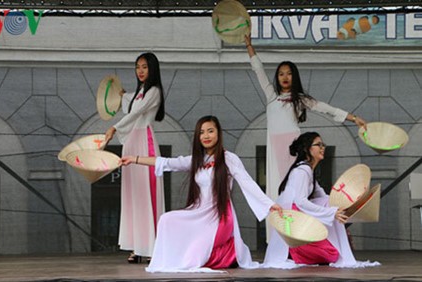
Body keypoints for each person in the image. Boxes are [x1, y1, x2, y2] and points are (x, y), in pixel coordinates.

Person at [120, 115, 282, 272]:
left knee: (195, 256)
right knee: (166, 219)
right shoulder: (197, 160)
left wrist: (269, 204)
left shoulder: (229, 158)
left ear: (218, 133)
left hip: (220, 217)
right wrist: (134, 158)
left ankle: (230, 253)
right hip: (199, 213)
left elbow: (247, 182)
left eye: (210, 131)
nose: (206, 135)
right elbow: (167, 163)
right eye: (201, 132)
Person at [245, 34, 367, 238]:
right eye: (281, 74)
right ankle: (279, 236)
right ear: (277, 78)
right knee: (277, 190)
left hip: (294, 146)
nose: (284, 77)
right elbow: (258, 70)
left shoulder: (300, 99)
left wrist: (353, 118)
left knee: (297, 190)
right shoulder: (271, 96)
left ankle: (301, 232)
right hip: (275, 147)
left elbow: (326, 108)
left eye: (289, 73)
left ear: (295, 77)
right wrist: (249, 45)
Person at [262, 132, 380, 269]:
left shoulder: (308, 171)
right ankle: (292, 250)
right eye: (318, 145)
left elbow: (324, 198)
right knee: (332, 254)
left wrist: (347, 205)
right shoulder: (302, 171)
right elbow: (300, 201)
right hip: (293, 220)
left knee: (332, 251)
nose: (322, 147)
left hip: (298, 216)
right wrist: (332, 212)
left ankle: (295, 251)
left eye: (323, 145)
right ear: (307, 149)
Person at [105, 52, 165, 263]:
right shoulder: (139, 93)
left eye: (145, 67)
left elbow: (135, 113)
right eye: (138, 67)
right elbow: (130, 100)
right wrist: (122, 94)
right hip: (130, 143)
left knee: (147, 195)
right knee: (133, 197)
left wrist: (114, 127)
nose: (140, 71)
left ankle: (152, 247)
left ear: (153, 69)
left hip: (144, 145)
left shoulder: (154, 92)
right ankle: (136, 247)